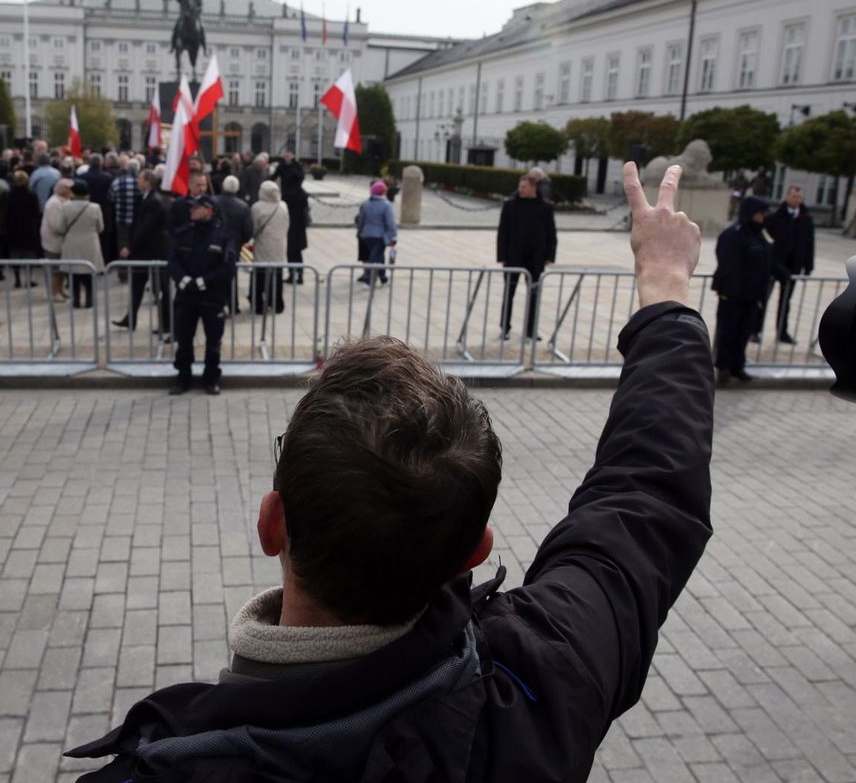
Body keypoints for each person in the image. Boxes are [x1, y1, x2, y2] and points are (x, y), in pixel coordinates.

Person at [67, 162, 714, 782]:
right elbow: (645, 498)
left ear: (272, 524)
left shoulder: (170, 765)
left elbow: (645, 497)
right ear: (472, 554)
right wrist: (665, 289)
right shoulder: (543, 676)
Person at [167, 195, 236, 396]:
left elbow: (228, 268)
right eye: (192, 207)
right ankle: (183, 376)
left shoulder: (223, 237)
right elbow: (172, 261)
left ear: (209, 210)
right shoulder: (183, 233)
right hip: (186, 297)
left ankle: (211, 378)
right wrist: (183, 280)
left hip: (211, 298)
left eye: (197, 207)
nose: (192, 210)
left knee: (213, 342)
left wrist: (205, 281)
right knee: (184, 339)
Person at [712, 196, 772, 384]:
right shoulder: (734, 234)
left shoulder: (759, 235)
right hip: (733, 294)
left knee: (744, 331)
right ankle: (723, 366)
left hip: (752, 295)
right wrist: (730, 288)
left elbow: (766, 260)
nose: (763, 217)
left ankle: (738, 365)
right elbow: (728, 263)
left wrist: (781, 272)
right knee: (727, 331)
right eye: (760, 213)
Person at [497, 175, 556, 341]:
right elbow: (502, 233)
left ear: (533, 188)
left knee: (534, 296)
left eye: (523, 186)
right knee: (509, 293)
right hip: (513, 258)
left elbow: (551, 233)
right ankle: (505, 328)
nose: (520, 189)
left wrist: (549, 256)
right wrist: (501, 256)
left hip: (535, 259)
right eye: (520, 186)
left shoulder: (545, 207)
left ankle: (531, 330)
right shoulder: (510, 206)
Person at [114, 169, 170, 334]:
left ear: (148, 182)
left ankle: (166, 323)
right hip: (143, 252)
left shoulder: (154, 201)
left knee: (161, 288)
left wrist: (130, 247)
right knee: (137, 286)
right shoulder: (145, 198)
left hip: (153, 252)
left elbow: (146, 228)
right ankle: (130, 319)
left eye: (139, 179)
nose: (137, 181)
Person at [762, 185, 814, 345]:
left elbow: (810, 243)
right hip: (774, 264)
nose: (796, 199)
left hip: (793, 266)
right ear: (787, 197)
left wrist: (808, 266)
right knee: (763, 298)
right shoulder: (775, 217)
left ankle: (782, 331)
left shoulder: (805, 219)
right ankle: (755, 330)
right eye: (793, 196)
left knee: (786, 301)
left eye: (799, 197)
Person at [55, 179, 105, 309]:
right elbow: (100, 227)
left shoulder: (66, 207)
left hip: (72, 242)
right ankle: (89, 300)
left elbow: (60, 227)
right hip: (90, 242)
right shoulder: (95, 207)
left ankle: (76, 300)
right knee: (89, 273)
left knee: (74, 273)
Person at [249, 179, 289, 315]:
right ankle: (277, 303)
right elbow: (287, 224)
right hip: (279, 244)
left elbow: (254, 227)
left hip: (263, 245)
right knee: (277, 276)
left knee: (260, 275)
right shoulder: (283, 205)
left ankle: (259, 305)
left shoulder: (257, 207)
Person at [272, 149, 308, 283]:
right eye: (285, 154)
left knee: (296, 249)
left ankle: (299, 275)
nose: (286, 156)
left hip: (297, 223)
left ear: (292, 155)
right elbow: (273, 177)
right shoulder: (281, 167)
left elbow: (300, 177)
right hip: (289, 222)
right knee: (290, 249)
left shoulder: (297, 167)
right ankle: (292, 274)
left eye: (289, 154)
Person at [4, 169, 42, 289]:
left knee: (15, 253)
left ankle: (17, 279)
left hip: (13, 227)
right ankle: (28, 279)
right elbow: (36, 212)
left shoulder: (9, 194)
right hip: (28, 228)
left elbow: (6, 211)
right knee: (29, 254)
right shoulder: (31, 194)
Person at [357, 180, 398, 286]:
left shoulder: (366, 204)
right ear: (383, 192)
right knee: (375, 258)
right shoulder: (386, 205)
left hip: (367, 235)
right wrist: (393, 236)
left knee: (379, 256)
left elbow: (361, 220)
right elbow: (390, 223)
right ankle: (368, 280)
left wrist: (360, 232)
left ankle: (383, 278)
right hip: (379, 235)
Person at [41, 179, 74, 300]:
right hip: (54, 241)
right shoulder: (54, 204)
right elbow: (56, 225)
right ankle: (54, 292)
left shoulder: (63, 201)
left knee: (62, 268)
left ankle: (60, 290)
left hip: (61, 241)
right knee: (56, 268)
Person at [109, 158, 141, 254]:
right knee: (136, 245)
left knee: (122, 244)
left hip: (121, 219)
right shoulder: (141, 183)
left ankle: (122, 266)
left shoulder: (117, 182)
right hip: (137, 221)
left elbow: (110, 198)